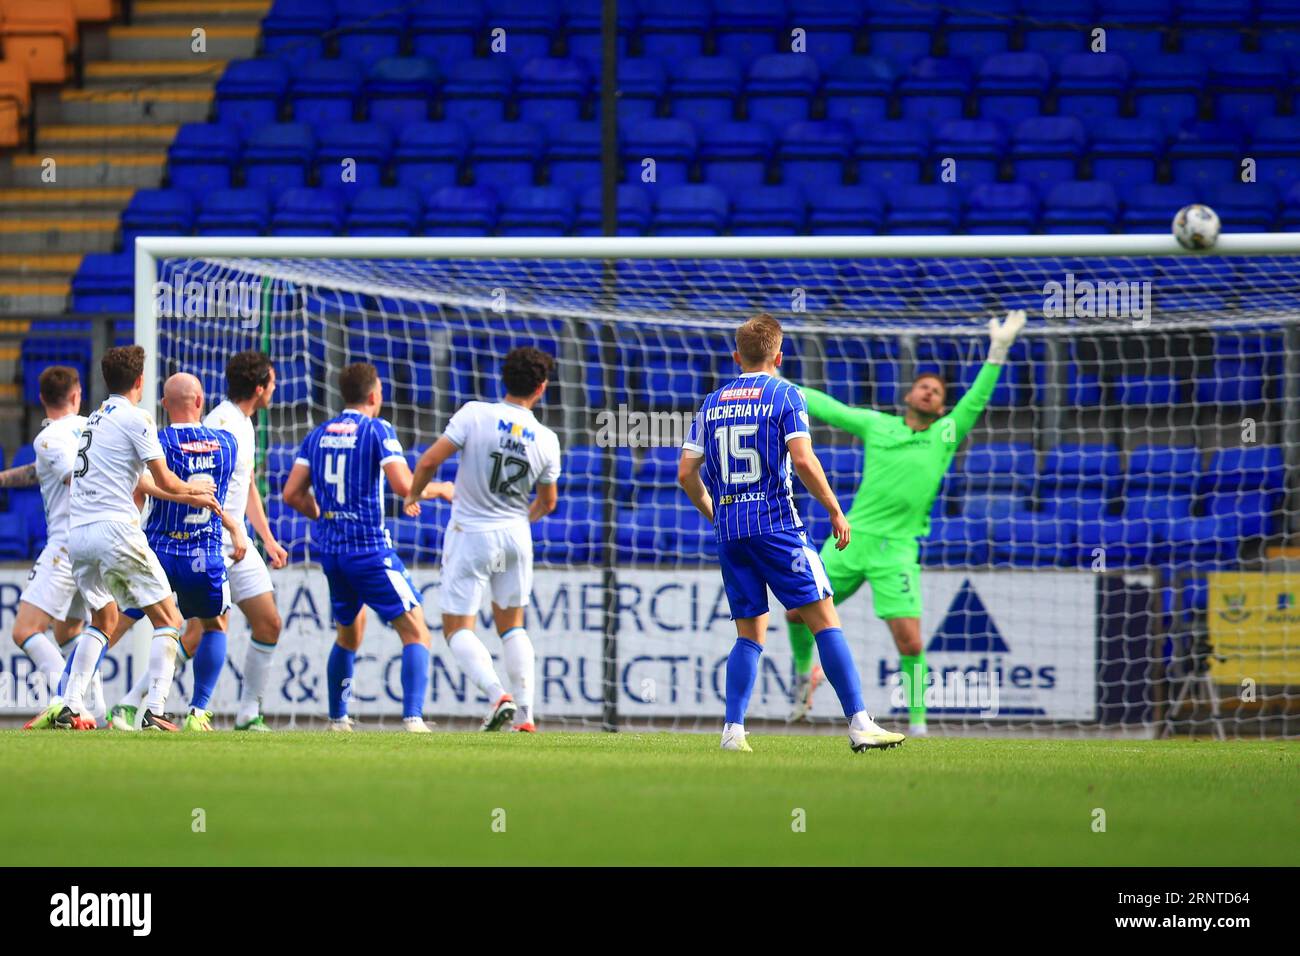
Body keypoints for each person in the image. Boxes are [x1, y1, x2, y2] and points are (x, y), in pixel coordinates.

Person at [785, 310, 1026, 735]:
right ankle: (804, 678)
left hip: (896, 549)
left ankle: (918, 724)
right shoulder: (880, 426)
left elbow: (976, 398)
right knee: (797, 615)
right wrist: (778, 384)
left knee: (910, 641)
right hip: (850, 539)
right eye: (924, 387)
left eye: (937, 391)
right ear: (910, 395)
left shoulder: (945, 435)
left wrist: (998, 350)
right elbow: (831, 408)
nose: (930, 393)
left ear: (941, 405)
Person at [678, 314, 905, 753]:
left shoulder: (712, 401)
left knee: (749, 634)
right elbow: (802, 460)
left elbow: (686, 471)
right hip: (776, 525)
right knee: (824, 621)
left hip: (730, 530)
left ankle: (733, 731)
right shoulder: (786, 393)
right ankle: (860, 723)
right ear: (779, 356)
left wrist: (713, 512)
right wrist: (836, 510)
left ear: (735, 357)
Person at [35, 346, 220, 731]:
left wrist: (180, 493)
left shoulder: (91, 422)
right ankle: (153, 709)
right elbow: (165, 478)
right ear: (140, 382)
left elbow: (145, 483)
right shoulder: (138, 419)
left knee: (104, 617)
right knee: (170, 617)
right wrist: (193, 489)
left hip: (79, 536)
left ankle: (69, 705)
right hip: (116, 529)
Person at [282, 363, 452, 732]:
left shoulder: (318, 434)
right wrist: (441, 489)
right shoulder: (377, 429)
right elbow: (403, 485)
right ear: (374, 395)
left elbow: (291, 493)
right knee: (417, 631)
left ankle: (338, 719)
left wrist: (324, 515)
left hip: (332, 550)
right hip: (369, 548)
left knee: (348, 634)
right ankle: (413, 719)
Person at [405, 346, 562, 733]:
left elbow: (428, 462)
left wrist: (413, 493)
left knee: (457, 628)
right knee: (513, 626)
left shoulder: (475, 414)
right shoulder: (546, 438)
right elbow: (548, 501)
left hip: (471, 535)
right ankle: (526, 715)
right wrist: (520, 520)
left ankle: (498, 696)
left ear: (502, 379)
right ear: (541, 388)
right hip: (514, 538)